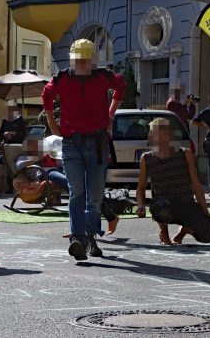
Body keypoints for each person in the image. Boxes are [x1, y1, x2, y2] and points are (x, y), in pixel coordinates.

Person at [41, 38, 125, 260]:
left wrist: (110, 113)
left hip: (97, 144)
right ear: (72, 60)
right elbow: (46, 95)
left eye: (86, 60)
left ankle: (90, 237)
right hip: (72, 144)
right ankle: (78, 239)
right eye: (78, 60)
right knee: (77, 191)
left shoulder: (103, 77)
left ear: (92, 61)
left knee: (95, 195)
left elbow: (121, 87)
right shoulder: (62, 79)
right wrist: (52, 122)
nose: (82, 64)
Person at [136, 117, 210, 245]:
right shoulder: (146, 158)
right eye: (151, 133)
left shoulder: (185, 153)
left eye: (154, 133)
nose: (150, 136)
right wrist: (141, 205)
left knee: (209, 235)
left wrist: (206, 214)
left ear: (167, 136)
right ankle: (164, 232)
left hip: (186, 203)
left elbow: (196, 185)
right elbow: (141, 187)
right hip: (165, 204)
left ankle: (184, 230)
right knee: (159, 208)